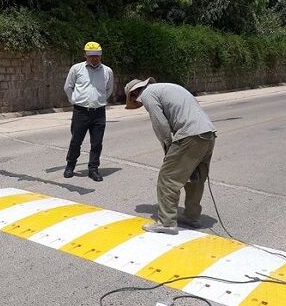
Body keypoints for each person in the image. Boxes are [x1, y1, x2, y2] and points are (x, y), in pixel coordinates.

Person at [124, 78, 216, 234]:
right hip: (208, 133)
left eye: (133, 100)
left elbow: (160, 124)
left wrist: (168, 147)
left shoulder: (147, 94)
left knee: (167, 178)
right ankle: (191, 216)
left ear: (134, 93)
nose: (138, 104)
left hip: (189, 135)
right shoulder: (169, 86)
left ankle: (166, 223)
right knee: (195, 178)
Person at [63, 41, 114, 181]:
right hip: (81, 112)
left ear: (101, 55)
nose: (94, 58)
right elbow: (68, 87)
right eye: (91, 56)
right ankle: (70, 166)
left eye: (97, 55)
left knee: (97, 143)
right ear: (85, 55)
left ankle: (93, 169)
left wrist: (100, 100)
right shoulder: (76, 69)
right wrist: (74, 100)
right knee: (76, 141)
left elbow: (109, 89)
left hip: (99, 113)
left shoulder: (107, 71)